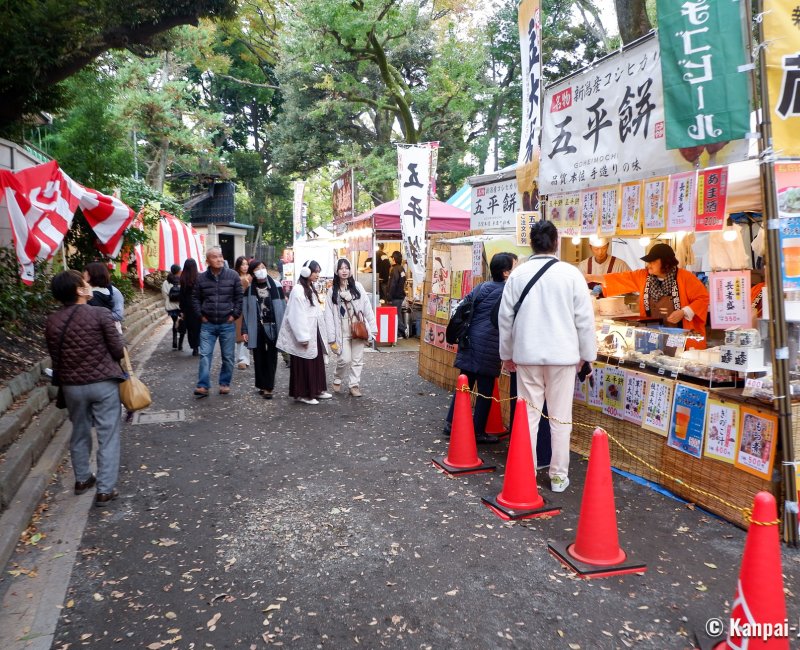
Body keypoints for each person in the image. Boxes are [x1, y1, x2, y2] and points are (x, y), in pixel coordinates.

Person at [498, 220, 597, 493]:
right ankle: (557, 476)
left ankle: (526, 471)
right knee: (560, 418)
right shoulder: (571, 274)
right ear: (556, 242)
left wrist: (506, 354)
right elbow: (584, 320)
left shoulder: (517, 275)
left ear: (531, 243)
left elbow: (505, 318)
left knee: (528, 418)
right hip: (563, 357)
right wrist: (587, 356)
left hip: (527, 356)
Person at [45, 270, 126, 507]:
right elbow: (118, 350)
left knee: (79, 431)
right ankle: (105, 488)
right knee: (107, 435)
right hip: (103, 384)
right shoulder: (101, 314)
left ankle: (82, 479)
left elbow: (55, 357)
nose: (88, 284)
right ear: (80, 290)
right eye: (84, 283)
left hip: (72, 387)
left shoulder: (52, 321)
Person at [443, 253, 515, 443]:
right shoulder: (508, 291)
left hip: (469, 340)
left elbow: (463, 308)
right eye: (514, 266)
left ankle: (451, 424)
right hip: (489, 344)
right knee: (485, 391)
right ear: (506, 272)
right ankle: (477, 432)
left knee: (464, 385)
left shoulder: (481, 286)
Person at [587, 242, 710, 349]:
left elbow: (703, 298)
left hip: (682, 339)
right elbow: (622, 278)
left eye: (653, 261)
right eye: (648, 262)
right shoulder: (644, 276)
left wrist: (684, 312)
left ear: (666, 262)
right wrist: (592, 277)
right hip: (653, 338)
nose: (648, 265)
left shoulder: (685, 277)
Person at [276, 260, 331, 405]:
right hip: (305, 332)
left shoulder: (309, 287)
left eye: (318, 271)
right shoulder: (298, 290)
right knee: (304, 364)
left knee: (315, 362)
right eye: (315, 271)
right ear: (307, 272)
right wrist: (303, 337)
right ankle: (304, 394)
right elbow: (296, 315)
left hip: (314, 330)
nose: (317, 274)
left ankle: (317, 389)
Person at [192, 246, 244, 397]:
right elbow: (195, 298)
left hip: (227, 323)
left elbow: (239, 298)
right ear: (207, 260)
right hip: (207, 324)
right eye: (215, 257)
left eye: (220, 256)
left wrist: (234, 315)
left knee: (228, 356)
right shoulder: (201, 278)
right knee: (205, 355)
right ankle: (203, 385)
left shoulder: (232, 275)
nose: (219, 259)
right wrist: (200, 316)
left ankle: (224, 383)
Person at [323, 258, 377, 397]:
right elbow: (328, 316)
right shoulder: (332, 291)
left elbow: (367, 308)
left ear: (350, 270)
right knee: (344, 359)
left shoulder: (357, 287)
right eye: (341, 268)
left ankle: (354, 385)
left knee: (357, 359)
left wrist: (373, 328)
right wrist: (331, 338)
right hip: (341, 330)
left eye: (347, 268)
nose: (344, 270)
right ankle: (337, 377)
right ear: (337, 271)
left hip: (358, 328)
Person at [241, 259, 286, 400]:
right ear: (252, 273)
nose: (261, 270)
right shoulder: (249, 290)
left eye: (263, 267)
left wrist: (285, 327)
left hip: (273, 325)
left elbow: (283, 306)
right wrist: (245, 330)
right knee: (258, 357)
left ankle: (269, 387)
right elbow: (246, 311)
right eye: (257, 268)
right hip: (256, 326)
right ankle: (261, 384)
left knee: (271, 357)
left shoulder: (277, 286)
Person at [84, 262, 124, 330]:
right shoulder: (96, 291)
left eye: (85, 272)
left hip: (108, 330)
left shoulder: (113, 292)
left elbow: (118, 315)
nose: (83, 274)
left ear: (93, 275)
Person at [178, 259, 201, 355]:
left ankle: (194, 347)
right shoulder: (199, 277)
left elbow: (182, 295)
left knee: (190, 328)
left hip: (188, 307)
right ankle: (200, 344)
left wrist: (182, 309)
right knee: (199, 327)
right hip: (198, 304)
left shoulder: (183, 278)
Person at [234, 256, 251, 370]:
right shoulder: (235, 277)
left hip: (250, 307)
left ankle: (244, 358)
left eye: (246, 264)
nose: (245, 266)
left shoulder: (251, 277)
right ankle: (241, 358)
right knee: (239, 332)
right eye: (242, 264)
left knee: (248, 332)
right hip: (238, 307)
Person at [162, 264, 182, 350]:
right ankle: (180, 344)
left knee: (174, 322)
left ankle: (174, 339)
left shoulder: (166, 282)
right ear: (178, 271)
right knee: (182, 323)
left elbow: (164, 294)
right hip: (180, 306)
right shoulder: (181, 281)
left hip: (171, 306)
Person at [388, 251, 407, 338]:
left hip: (396, 296)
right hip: (401, 295)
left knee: (396, 315)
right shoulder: (402, 269)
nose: (390, 260)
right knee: (398, 314)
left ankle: (404, 329)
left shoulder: (395, 269)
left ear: (394, 259)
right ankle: (400, 334)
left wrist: (389, 296)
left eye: (391, 258)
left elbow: (393, 284)